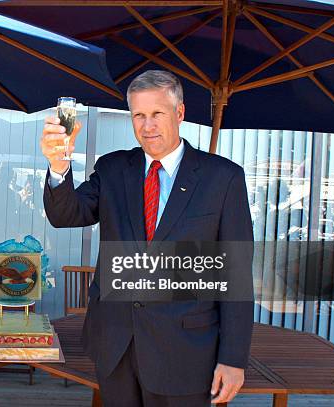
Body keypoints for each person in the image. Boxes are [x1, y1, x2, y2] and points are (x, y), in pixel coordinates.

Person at [41, 70, 254, 406]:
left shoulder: (223, 178)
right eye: (139, 115)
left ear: (180, 113)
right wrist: (58, 165)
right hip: (116, 346)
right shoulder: (113, 169)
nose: (147, 125)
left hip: (186, 352)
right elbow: (67, 214)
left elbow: (236, 276)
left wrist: (233, 358)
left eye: (157, 114)